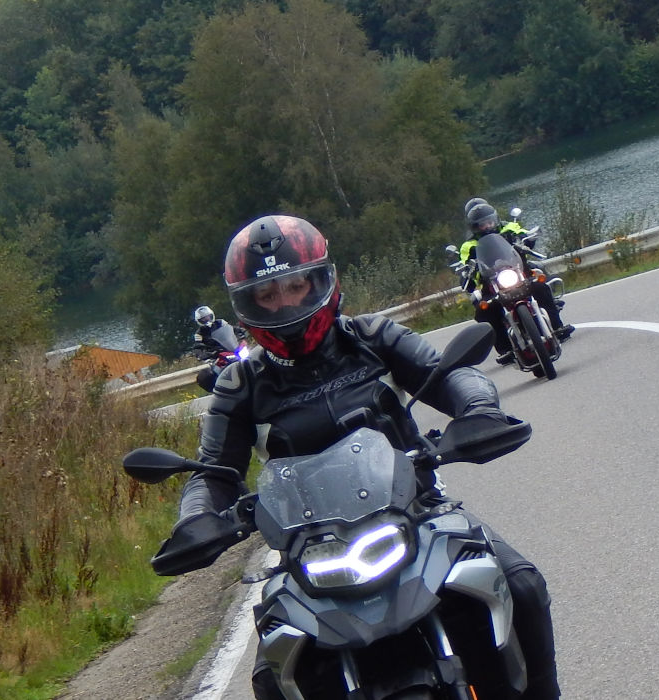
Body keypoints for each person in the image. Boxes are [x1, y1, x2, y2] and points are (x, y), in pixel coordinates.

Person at [172, 214, 561, 699]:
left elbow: (446, 373)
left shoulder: (373, 336)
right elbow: (212, 471)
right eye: (267, 295)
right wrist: (197, 519)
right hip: (310, 550)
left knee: (521, 585)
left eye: (295, 286)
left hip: (418, 515)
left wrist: (477, 408)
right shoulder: (240, 383)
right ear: (247, 305)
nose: (285, 303)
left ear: (322, 281)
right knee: (273, 674)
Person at [457, 199, 572, 364]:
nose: (487, 226)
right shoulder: (468, 245)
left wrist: (527, 238)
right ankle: (505, 349)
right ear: (474, 227)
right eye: (482, 225)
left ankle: (557, 326)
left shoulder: (508, 227)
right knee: (484, 310)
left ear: (495, 219)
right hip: (491, 283)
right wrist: (466, 271)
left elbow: (523, 233)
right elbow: (464, 263)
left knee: (540, 286)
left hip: (519, 272)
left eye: (489, 222)